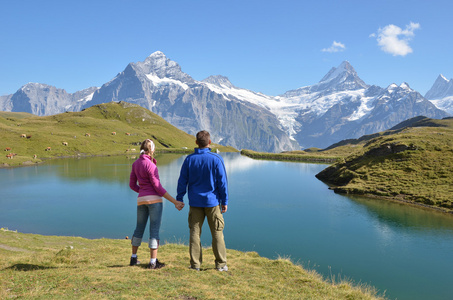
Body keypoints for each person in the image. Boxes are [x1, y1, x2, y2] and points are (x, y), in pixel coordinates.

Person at [177, 130, 229, 271]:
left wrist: (179, 198)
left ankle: (195, 265)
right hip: (213, 203)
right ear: (209, 142)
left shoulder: (189, 159)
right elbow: (222, 183)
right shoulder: (216, 159)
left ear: (196, 142)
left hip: (195, 202)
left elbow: (182, 181)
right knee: (217, 233)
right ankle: (221, 264)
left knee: (194, 233)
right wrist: (224, 201)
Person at [129, 138, 184, 269]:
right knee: (154, 230)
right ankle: (153, 262)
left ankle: (133, 258)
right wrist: (175, 202)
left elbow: (132, 185)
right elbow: (158, 187)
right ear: (151, 150)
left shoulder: (135, 164)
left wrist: (142, 191)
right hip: (154, 200)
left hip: (141, 200)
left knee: (139, 228)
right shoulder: (151, 165)